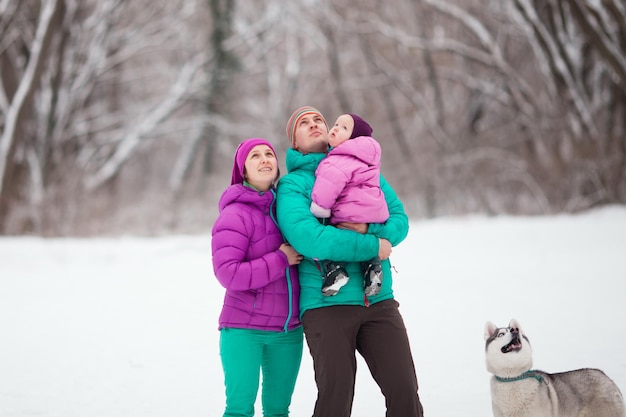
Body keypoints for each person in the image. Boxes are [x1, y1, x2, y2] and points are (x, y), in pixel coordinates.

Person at [277, 106, 424, 416]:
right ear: (294, 143)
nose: (314, 124)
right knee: (336, 398)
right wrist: (373, 244)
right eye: (304, 123)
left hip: (378, 301)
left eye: (319, 119)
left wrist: (369, 228)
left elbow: (399, 220)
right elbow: (310, 239)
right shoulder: (292, 186)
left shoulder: (364, 166)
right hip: (325, 304)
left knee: (404, 392)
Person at [211, 137, 304, 417]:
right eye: (255, 156)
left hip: (288, 331)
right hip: (243, 330)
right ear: (243, 170)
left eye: (268, 154)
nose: (265, 159)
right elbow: (228, 273)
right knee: (239, 409)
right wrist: (280, 259)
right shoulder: (234, 215)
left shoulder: (289, 211)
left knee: (278, 411)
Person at [309, 113, 388, 297]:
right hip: (374, 213)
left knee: (334, 239)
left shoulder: (337, 159)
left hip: (350, 213)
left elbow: (327, 187)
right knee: (365, 249)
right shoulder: (368, 159)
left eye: (344, 128)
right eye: (336, 124)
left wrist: (320, 210)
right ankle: (372, 268)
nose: (335, 128)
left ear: (355, 139)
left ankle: (335, 271)